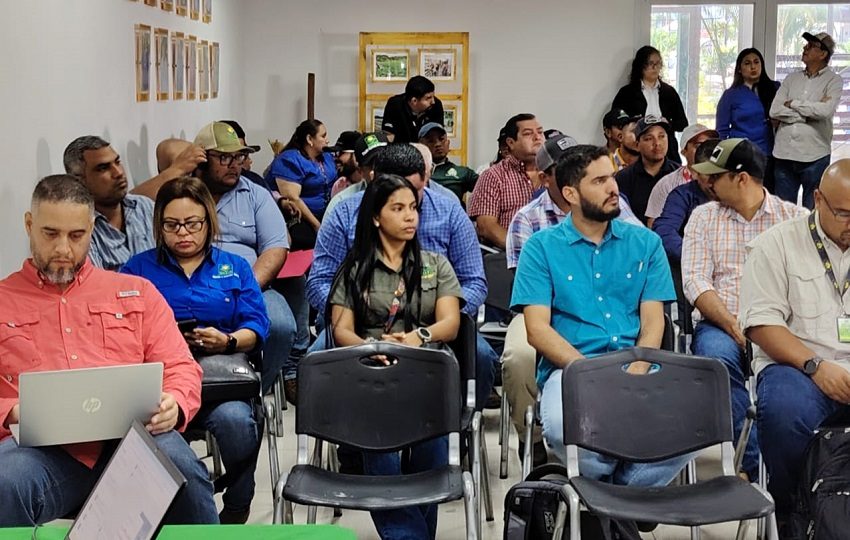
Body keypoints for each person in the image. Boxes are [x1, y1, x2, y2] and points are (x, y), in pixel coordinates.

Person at [0, 175, 217, 526]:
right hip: (40, 454)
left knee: (184, 474)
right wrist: (12, 412)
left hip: (134, 441)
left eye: (76, 236)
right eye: (50, 234)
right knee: (4, 483)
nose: (63, 250)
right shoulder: (3, 301)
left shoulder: (136, 292)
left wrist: (174, 403)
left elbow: (181, 365)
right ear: (29, 225)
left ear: (91, 229)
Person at [511, 144, 687, 485]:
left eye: (613, 177)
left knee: (693, 425)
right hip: (572, 367)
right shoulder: (541, 247)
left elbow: (654, 321)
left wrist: (638, 365)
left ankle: (607, 499)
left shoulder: (646, 243)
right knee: (565, 429)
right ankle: (614, 501)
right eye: (600, 181)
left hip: (636, 363)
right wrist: (590, 373)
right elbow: (537, 330)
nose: (614, 188)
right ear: (570, 194)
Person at [121, 177, 269, 524]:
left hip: (220, 380)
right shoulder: (137, 270)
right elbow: (122, 332)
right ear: (159, 226)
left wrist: (228, 340)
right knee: (154, 438)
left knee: (238, 422)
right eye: (172, 225)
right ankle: (182, 513)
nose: (182, 233)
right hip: (161, 384)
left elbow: (257, 326)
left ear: (209, 222)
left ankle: (237, 503)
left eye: (192, 224)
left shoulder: (234, 266)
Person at [307, 143, 498, 411]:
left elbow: (474, 281)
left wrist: (438, 310)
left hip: (435, 321)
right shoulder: (343, 213)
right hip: (361, 322)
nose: (411, 209)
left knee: (482, 357)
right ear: (374, 182)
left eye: (417, 191)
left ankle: (455, 425)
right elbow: (319, 281)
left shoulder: (450, 212)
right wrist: (355, 309)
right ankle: (350, 435)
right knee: (315, 360)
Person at [327, 173, 463, 539]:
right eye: (398, 208)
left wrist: (419, 337)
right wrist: (372, 349)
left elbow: (450, 324)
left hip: (425, 378)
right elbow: (342, 330)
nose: (410, 217)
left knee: (430, 464)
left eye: (414, 208)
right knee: (382, 460)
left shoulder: (436, 264)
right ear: (375, 217)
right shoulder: (355, 269)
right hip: (371, 377)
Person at [683, 138, 808, 481]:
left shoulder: (795, 219)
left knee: (793, 378)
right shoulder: (704, 217)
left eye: (715, 176)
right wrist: (733, 325)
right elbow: (695, 282)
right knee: (717, 362)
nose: (707, 182)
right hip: (720, 323)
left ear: (741, 179)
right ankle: (749, 466)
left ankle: (795, 470)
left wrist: (765, 330)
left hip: (781, 326)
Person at [739, 159, 850, 518]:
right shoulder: (777, 245)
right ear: (818, 199)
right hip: (800, 368)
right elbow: (762, 325)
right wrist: (816, 367)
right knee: (786, 411)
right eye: (845, 214)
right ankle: (796, 512)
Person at [192, 121, 297, 398]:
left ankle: (254, 389)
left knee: (282, 326)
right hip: (192, 286)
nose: (234, 165)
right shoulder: (185, 193)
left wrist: (247, 289)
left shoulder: (256, 194)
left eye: (238, 157)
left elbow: (276, 248)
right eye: (224, 157)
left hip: (251, 284)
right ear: (202, 158)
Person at [770, 32, 842, 209]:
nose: (804, 48)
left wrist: (793, 103)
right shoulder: (790, 79)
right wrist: (807, 114)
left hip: (815, 156)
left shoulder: (834, 80)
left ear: (823, 54)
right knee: (784, 214)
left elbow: (825, 111)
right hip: (784, 154)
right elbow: (775, 110)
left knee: (813, 214)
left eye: (810, 46)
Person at [62, 136, 155, 270]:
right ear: (78, 181)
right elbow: (98, 286)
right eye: (103, 168)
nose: (118, 173)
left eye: (118, 162)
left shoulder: (144, 207)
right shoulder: (78, 226)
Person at [467, 114, 545, 249]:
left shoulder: (556, 173)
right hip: (508, 256)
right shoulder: (493, 176)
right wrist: (526, 250)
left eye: (540, 132)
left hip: (554, 256)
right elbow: (486, 227)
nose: (537, 137)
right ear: (511, 143)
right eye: (528, 134)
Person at [612, 45, 688, 163]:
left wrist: (668, 124)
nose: (655, 67)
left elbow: (683, 123)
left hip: (666, 152)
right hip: (637, 150)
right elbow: (616, 121)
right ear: (641, 66)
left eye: (658, 63)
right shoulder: (627, 92)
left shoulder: (669, 92)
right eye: (650, 63)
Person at [264, 119, 338, 237]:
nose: (327, 140)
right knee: (304, 237)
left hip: (328, 214)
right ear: (309, 139)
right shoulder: (289, 160)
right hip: (301, 218)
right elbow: (293, 198)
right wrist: (318, 226)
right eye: (323, 136)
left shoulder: (326, 156)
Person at [644, 124, 719, 227]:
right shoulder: (667, 184)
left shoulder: (726, 181)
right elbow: (654, 224)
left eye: (710, 145)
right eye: (698, 146)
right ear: (684, 152)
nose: (705, 150)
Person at [615, 115, 680, 224]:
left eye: (662, 136)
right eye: (649, 138)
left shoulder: (679, 174)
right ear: (637, 145)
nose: (657, 143)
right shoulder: (624, 178)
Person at [715, 48, 780, 158]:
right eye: (747, 63)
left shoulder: (774, 88)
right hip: (741, 153)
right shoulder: (731, 95)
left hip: (768, 152)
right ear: (739, 69)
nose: (753, 67)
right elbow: (721, 130)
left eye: (756, 62)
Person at [325, 131, 390, 217]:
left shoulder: (406, 194)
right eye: (371, 165)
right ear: (360, 170)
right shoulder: (342, 204)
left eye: (385, 162)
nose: (378, 169)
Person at [418, 122, 478, 207]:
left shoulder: (462, 172)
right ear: (421, 145)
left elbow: (488, 188)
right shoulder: (415, 172)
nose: (438, 144)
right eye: (431, 141)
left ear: (448, 143)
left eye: (441, 139)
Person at [381, 75, 445, 144]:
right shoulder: (394, 105)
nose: (433, 101)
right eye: (428, 98)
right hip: (401, 150)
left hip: (427, 149)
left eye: (433, 96)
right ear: (414, 101)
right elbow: (388, 135)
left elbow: (438, 136)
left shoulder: (436, 105)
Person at [327, 130, 363, 198]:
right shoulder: (339, 185)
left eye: (340, 152)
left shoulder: (370, 185)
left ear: (356, 154)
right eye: (335, 153)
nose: (336, 157)